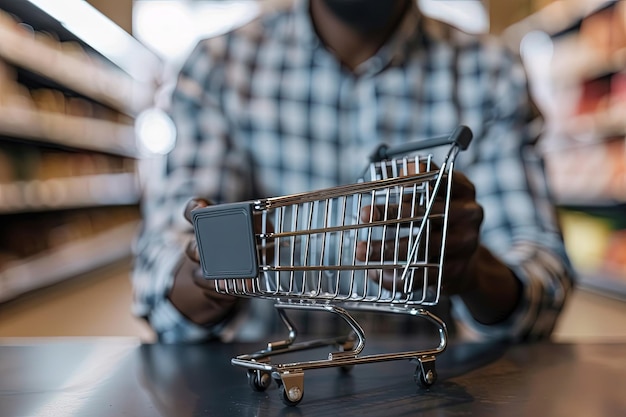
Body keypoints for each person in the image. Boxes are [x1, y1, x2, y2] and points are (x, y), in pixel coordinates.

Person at [132, 0, 574, 344]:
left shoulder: (491, 72)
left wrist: (472, 269)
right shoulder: (218, 67)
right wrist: (207, 273)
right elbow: (161, 272)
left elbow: (542, 281)